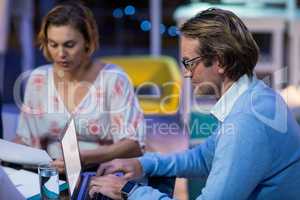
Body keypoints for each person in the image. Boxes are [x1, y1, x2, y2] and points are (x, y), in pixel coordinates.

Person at [87, 8, 300, 200]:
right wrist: (142, 164)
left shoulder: (245, 123)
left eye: (189, 63)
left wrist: (128, 190)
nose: (186, 74)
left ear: (220, 62)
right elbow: (203, 158)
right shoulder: (258, 95)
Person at [14, 2, 145, 173]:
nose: (60, 54)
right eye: (53, 44)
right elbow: (26, 138)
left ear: (88, 42)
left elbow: (134, 145)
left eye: (69, 45)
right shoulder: (38, 79)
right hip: (51, 174)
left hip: (103, 172)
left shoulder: (113, 79)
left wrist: (83, 158)